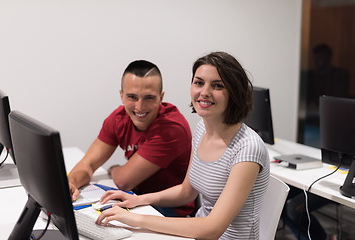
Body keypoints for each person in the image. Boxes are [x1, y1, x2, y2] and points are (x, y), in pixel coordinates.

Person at [95, 51, 270, 239]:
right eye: (199, 83)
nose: (204, 92)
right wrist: (138, 200)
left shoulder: (247, 147)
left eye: (217, 86)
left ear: (234, 93)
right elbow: (186, 192)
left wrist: (136, 219)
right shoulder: (202, 129)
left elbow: (212, 229)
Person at [68, 60, 194, 217]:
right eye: (132, 97)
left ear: (161, 98)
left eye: (148, 98)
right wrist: (71, 183)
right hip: (135, 198)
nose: (139, 107)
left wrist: (114, 169)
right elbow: (88, 164)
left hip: (169, 210)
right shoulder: (118, 119)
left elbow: (124, 181)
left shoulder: (171, 129)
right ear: (121, 95)